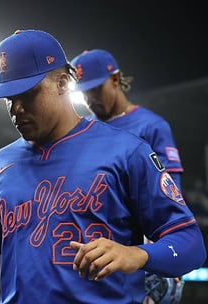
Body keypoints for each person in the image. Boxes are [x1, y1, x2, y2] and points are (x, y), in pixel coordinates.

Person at [0, 29, 206, 304]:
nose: (16, 109)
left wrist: (136, 255)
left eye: (26, 95)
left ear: (62, 83)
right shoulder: (0, 163)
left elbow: (191, 244)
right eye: (8, 98)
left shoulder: (127, 150)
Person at [70, 49, 188, 304]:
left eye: (95, 89)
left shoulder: (151, 126)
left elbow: (170, 196)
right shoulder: (82, 130)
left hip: (134, 248)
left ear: (115, 79)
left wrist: (163, 253)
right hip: (93, 248)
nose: (90, 99)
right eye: (84, 92)